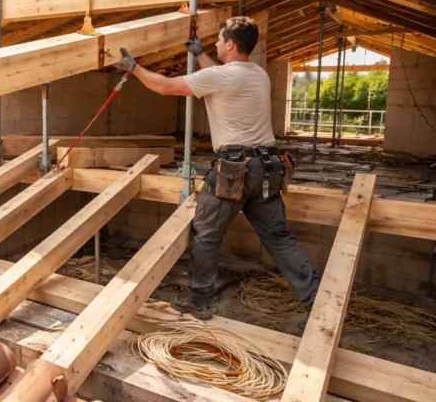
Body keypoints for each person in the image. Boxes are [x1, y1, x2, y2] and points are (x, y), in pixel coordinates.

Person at [114, 16, 319, 322]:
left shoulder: (221, 77)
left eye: (220, 40)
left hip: (235, 170)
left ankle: (200, 302)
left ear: (230, 44)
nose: (217, 44)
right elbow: (219, 75)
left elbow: (165, 87)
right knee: (278, 237)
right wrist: (199, 53)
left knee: (207, 235)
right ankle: (315, 301)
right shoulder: (258, 74)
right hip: (268, 168)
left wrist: (133, 68)